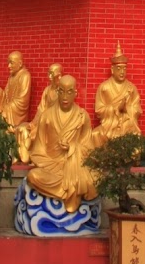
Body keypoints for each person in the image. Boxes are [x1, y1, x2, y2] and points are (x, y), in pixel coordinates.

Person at [19, 75, 98, 213]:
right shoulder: (46, 116)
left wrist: (72, 148)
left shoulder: (82, 116)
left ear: (75, 93)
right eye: (61, 91)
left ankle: (71, 189)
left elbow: (89, 148)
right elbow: (38, 150)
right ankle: (70, 191)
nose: (65, 96)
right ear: (57, 92)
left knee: (96, 179)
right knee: (33, 176)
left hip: (74, 166)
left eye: (69, 92)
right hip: (51, 167)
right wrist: (50, 163)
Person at [93, 43, 142, 143]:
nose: (122, 72)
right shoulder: (104, 87)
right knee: (95, 135)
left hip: (127, 124)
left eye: (124, 68)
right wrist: (116, 108)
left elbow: (137, 109)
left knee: (134, 138)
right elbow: (99, 109)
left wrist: (127, 109)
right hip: (110, 124)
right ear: (112, 70)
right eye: (119, 69)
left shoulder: (131, 88)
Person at [0, 51, 32, 128]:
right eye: (8, 63)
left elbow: (23, 100)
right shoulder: (11, 77)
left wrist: (7, 107)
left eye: (11, 63)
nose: (8, 66)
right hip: (9, 107)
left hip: (16, 112)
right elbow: (5, 94)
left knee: (3, 112)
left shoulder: (25, 76)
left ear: (20, 63)